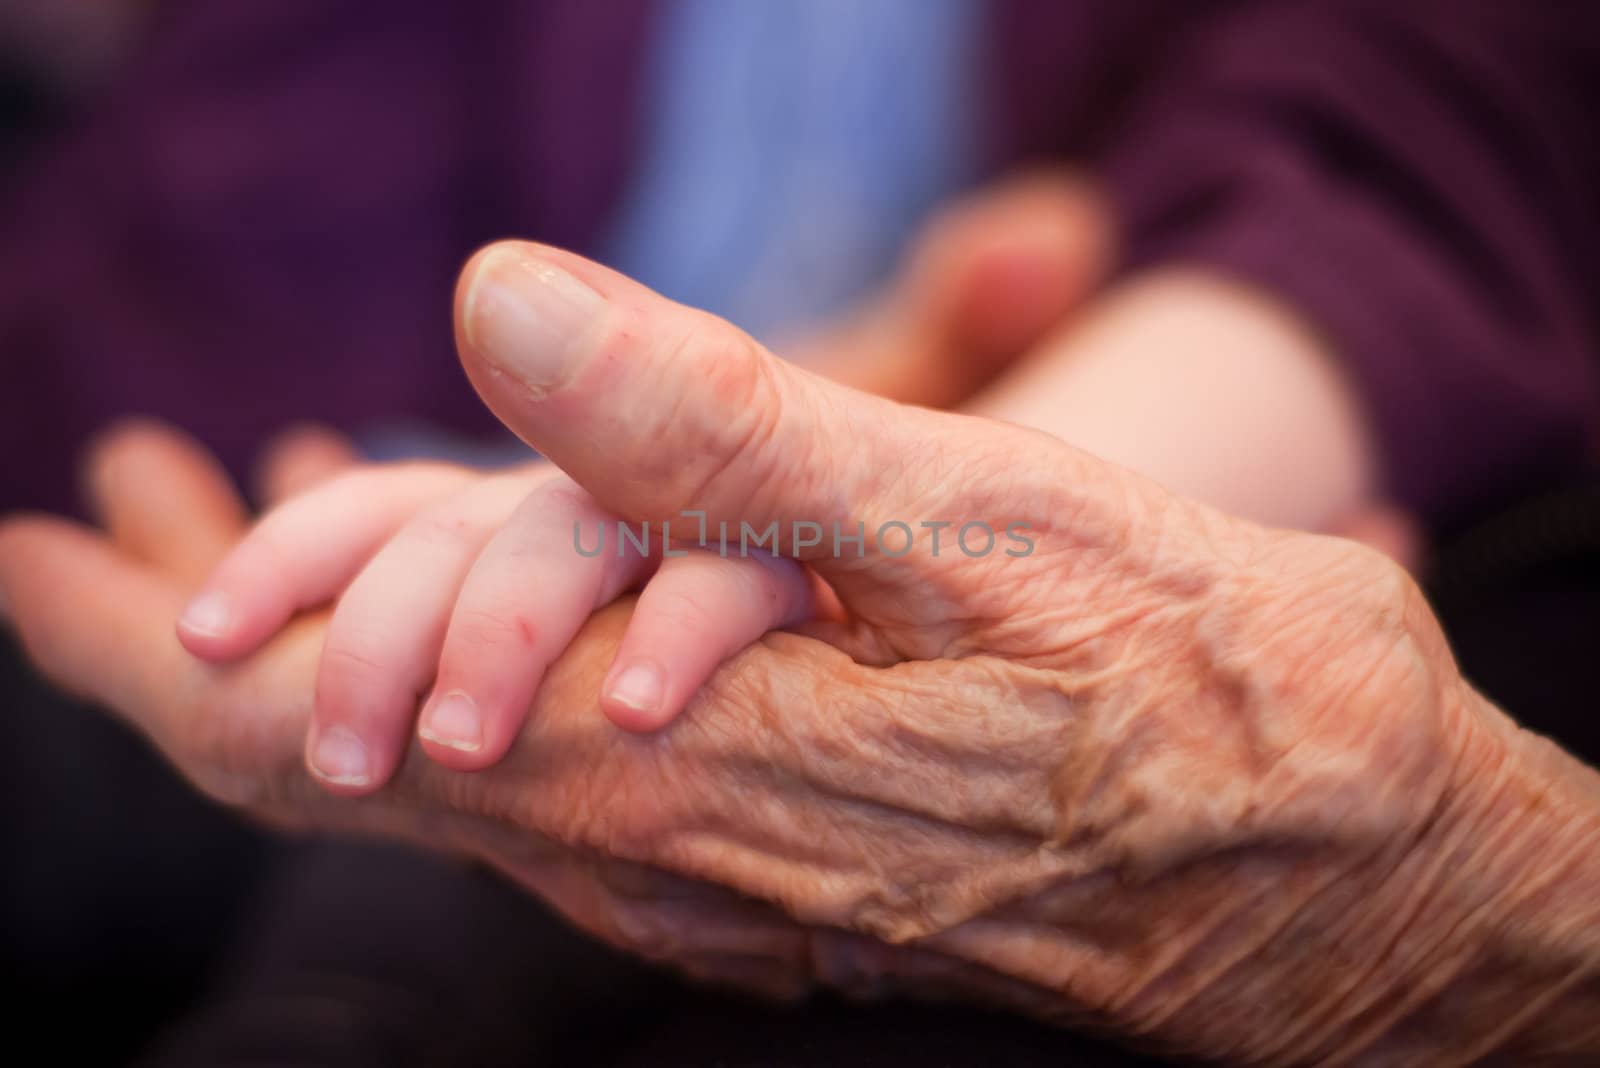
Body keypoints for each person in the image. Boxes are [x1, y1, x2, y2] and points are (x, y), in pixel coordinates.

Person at [4, 243, 1597, 1064]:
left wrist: (866, 526)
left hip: (825, 512)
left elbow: (1379, 180)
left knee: (476, 852)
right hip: (460, 506)